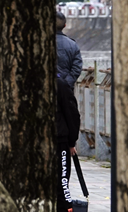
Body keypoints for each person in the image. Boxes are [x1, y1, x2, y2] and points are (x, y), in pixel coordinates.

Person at [57, 75, 81, 212]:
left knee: (61, 183)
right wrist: (71, 141)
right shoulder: (60, 84)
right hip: (59, 140)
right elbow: (72, 113)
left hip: (59, 140)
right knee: (62, 183)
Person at [56, 11, 82, 88]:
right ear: (64, 25)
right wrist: (66, 84)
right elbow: (77, 68)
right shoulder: (72, 44)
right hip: (66, 90)